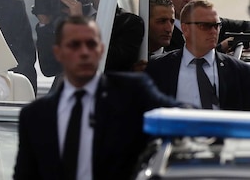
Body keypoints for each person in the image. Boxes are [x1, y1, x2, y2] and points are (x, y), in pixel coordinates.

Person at [14, 15, 180, 180]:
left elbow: (181, 115)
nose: (84, 52)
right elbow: (25, 174)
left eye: (91, 44)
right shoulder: (35, 115)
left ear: (101, 50)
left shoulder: (133, 92)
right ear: (58, 52)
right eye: (74, 45)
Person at [36, 0, 144, 78]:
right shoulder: (69, 16)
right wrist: (45, 24)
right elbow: (49, 68)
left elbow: (111, 64)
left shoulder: (130, 23)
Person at [146, 0, 250, 110]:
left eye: (216, 25)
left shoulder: (239, 71)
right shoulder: (159, 68)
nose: (213, 31)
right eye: (205, 26)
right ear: (185, 29)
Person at [163, 0, 250, 52]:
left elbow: (246, 26)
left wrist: (240, 40)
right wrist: (221, 47)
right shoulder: (164, 31)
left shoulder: (214, 23)